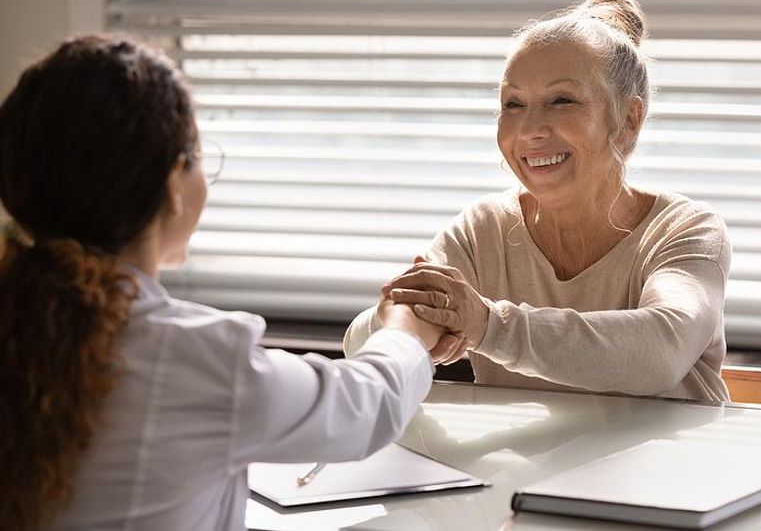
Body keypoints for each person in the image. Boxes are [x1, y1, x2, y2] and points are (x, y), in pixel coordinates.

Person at [0, 36, 443, 531]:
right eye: (197, 155)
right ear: (174, 184)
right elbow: (368, 406)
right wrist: (406, 326)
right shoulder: (190, 355)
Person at [344, 0, 731, 402]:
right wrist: (410, 324)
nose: (529, 130)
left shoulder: (686, 228)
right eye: (513, 104)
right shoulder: (483, 229)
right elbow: (363, 342)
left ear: (629, 120)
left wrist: (488, 326)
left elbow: (662, 350)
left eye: (561, 100)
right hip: (529, 467)